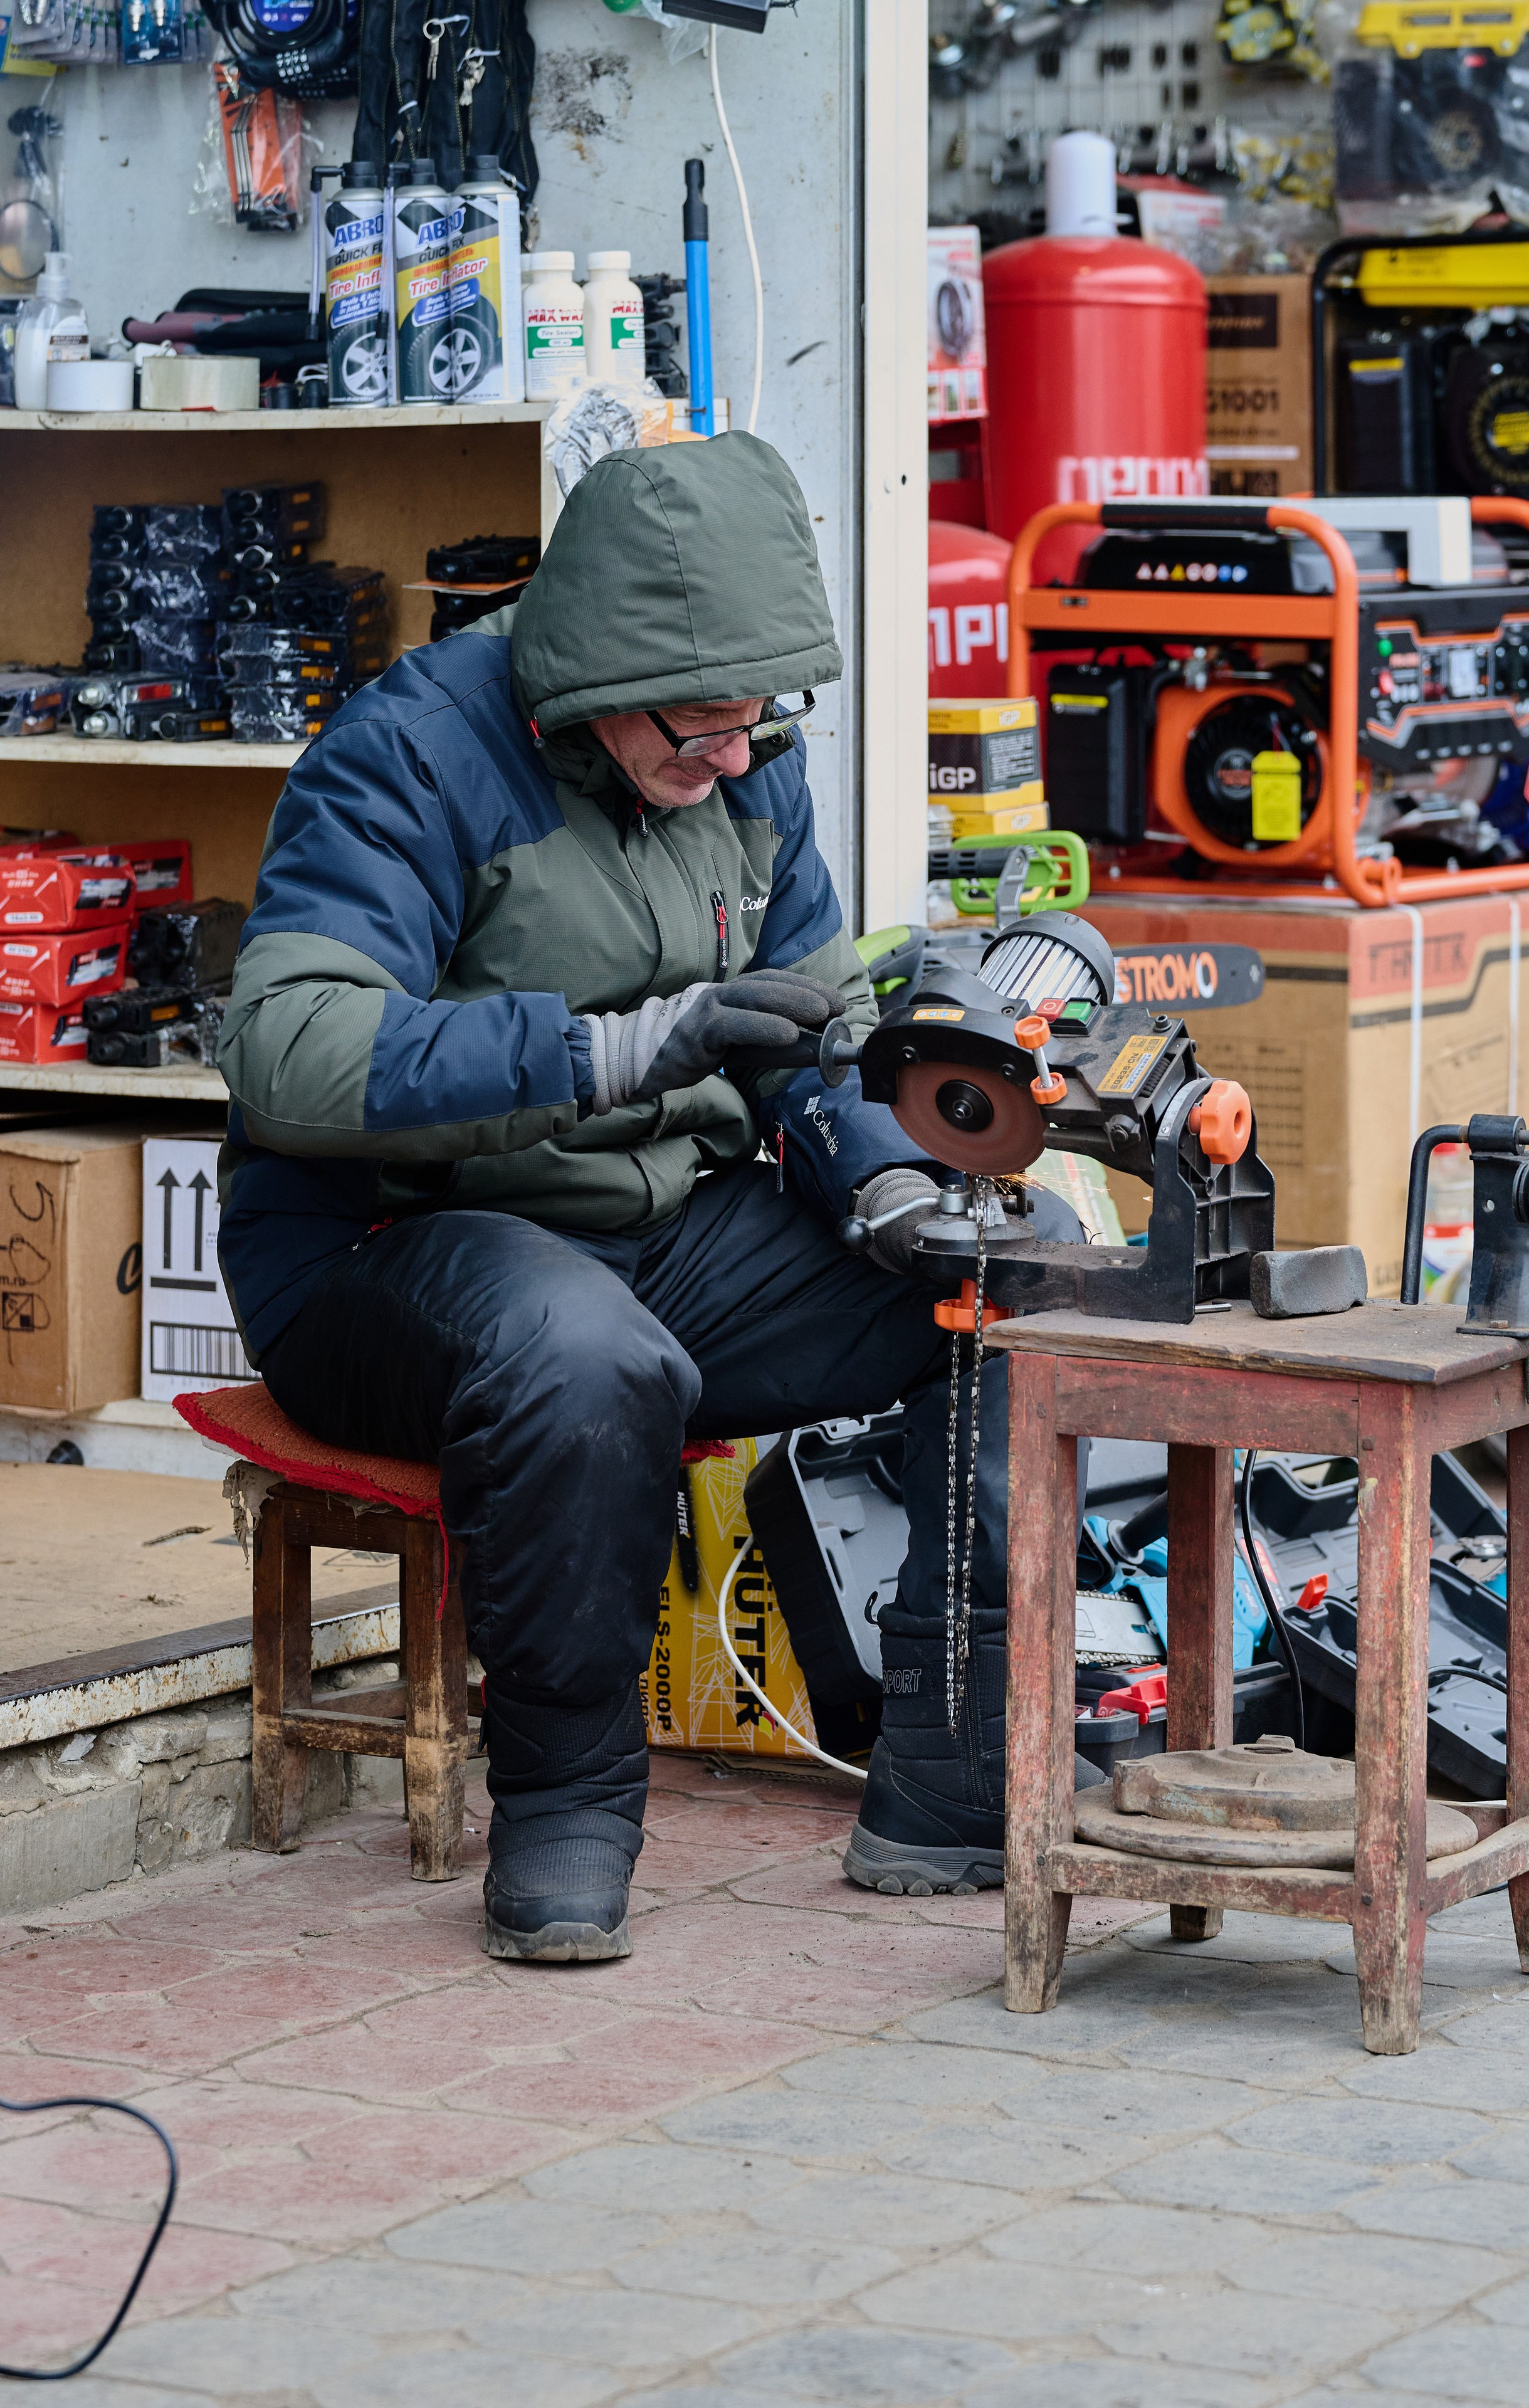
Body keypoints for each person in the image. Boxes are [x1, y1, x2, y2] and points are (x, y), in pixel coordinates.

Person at [218, 431, 1071, 1965]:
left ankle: (950, 1760)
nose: (737, 760)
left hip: (647, 1232)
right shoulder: (407, 755)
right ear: (595, 679)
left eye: (759, 725)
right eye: (701, 731)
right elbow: (287, 1053)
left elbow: (802, 1025)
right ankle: (566, 1801)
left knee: (1004, 1264)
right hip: (384, 1251)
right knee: (578, 1353)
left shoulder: (743, 751)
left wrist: (875, 1174)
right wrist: (607, 1046)